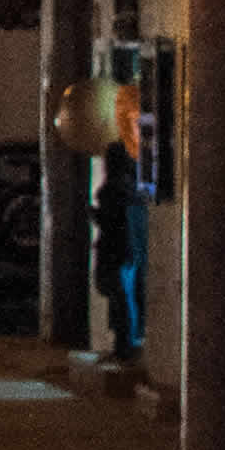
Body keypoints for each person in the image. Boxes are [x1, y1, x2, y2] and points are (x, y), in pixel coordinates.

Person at [94, 144, 139, 360]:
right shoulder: (131, 188)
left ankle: (123, 347)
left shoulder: (113, 189)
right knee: (122, 298)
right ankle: (123, 345)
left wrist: (95, 215)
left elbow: (109, 221)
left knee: (118, 298)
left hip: (113, 250)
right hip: (126, 250)